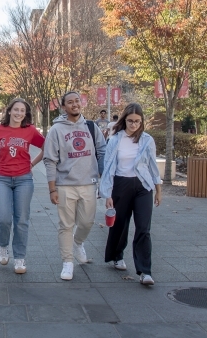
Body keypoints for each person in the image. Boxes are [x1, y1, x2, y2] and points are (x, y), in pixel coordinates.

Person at [43, 91, 106, 280]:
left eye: (77, 101)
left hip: (89, 183)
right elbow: (49, 160)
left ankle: (78, 243)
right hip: (64, 185)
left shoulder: (91, 127)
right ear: (63, 107)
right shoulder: (56, 130)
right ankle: (67, 262)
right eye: (69, 102)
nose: (74, 104)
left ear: (81, 103)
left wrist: (102, 174)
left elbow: (102, 150)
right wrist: (52, 188)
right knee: (66, 225)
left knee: (87, 222)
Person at [100, 103, 162, 286]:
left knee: (143, 228)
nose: (133, 125)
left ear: (142, 121)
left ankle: (145, 271)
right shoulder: (115, 139)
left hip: (143, 186)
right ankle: (117, 256)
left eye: (137, 121)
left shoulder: (147, 140)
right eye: (130, 121)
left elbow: (152, 165)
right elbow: (109, 166)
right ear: (124, 120)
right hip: (121, 184)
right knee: (120, 225)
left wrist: (158, 190)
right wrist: (107, 193)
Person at [0, 98, 45, 274]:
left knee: (21, 220)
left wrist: (32, 164)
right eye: (16, 110)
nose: (18, 113)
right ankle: (3, 246)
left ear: (26, 114)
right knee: (3, 218)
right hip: (2, 179)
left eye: (22, 111)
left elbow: (47, 147)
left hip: (24, 179)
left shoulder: (30, 131)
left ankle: (19, 258)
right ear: (9, 111)